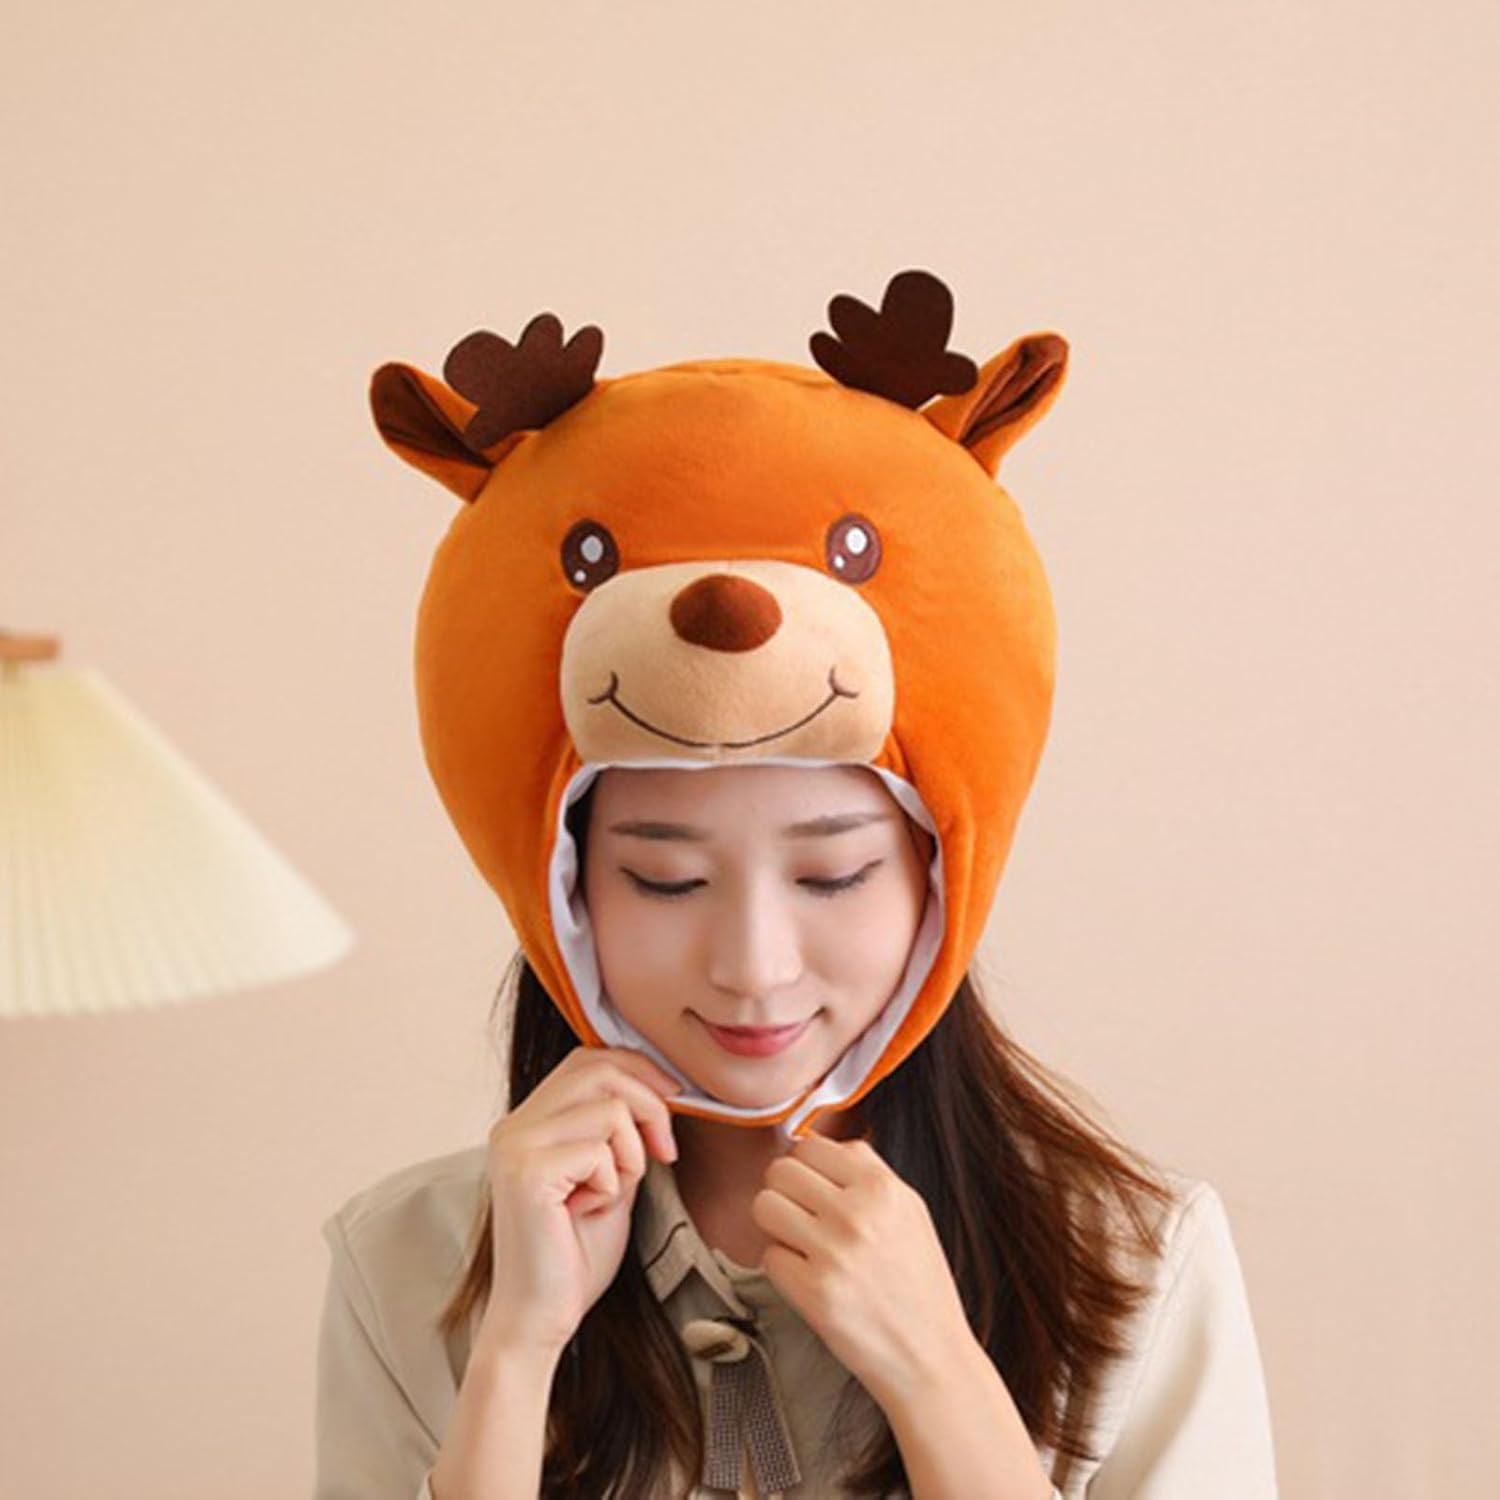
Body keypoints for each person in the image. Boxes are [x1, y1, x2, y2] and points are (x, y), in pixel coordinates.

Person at [315, 270, 1280, 1498]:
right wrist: (516, 1352)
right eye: (666, 880)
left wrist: (939, 1378)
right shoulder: (404, 1267)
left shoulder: (1137, 1266)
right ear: (562, 889)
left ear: (940, 876)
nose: (754, 966)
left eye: (834, 874)